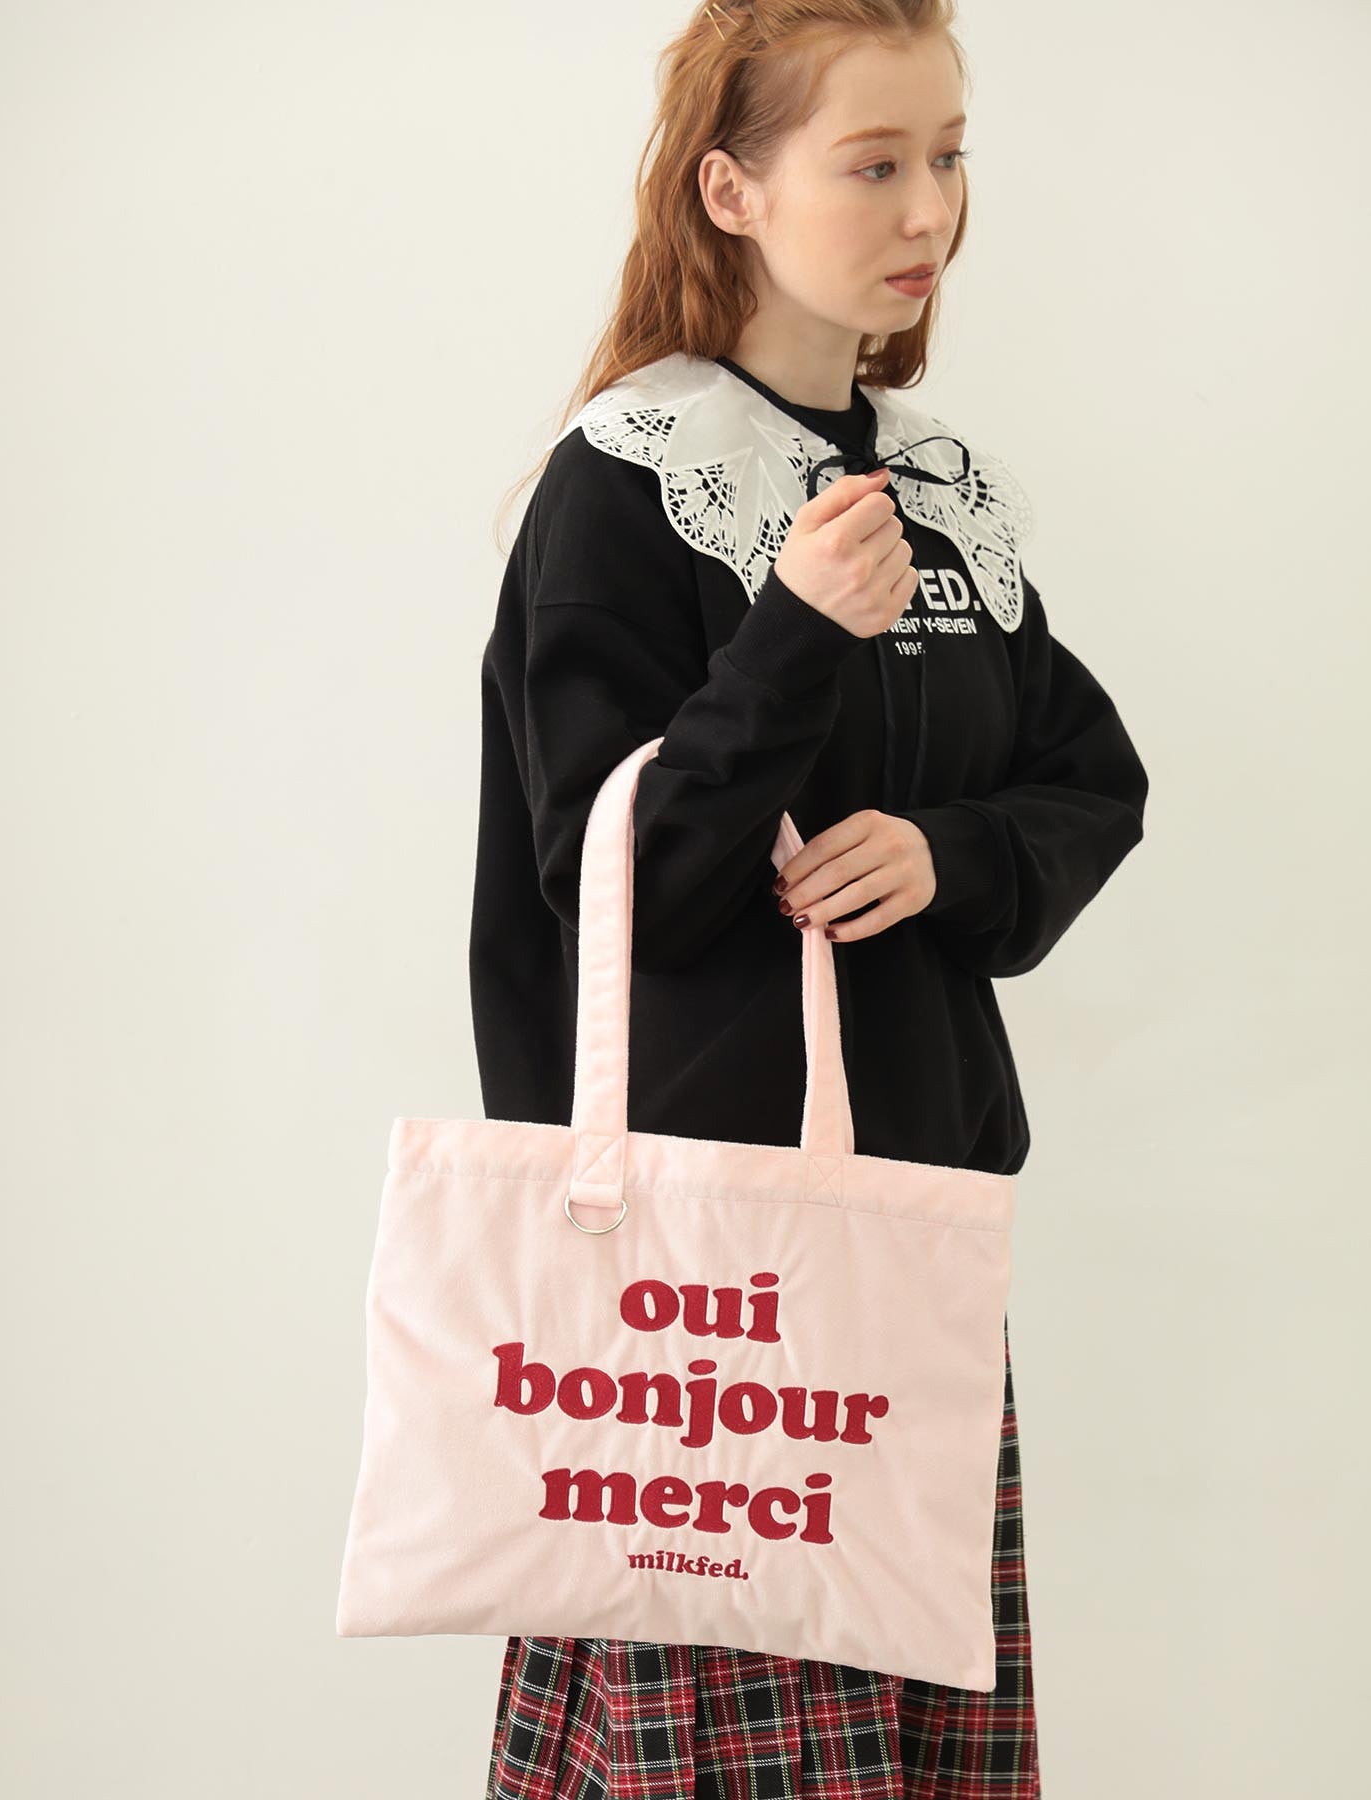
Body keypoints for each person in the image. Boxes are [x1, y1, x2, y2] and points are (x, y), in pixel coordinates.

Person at [470, 4, 1147, 1795]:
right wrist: (791, 634)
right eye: (874, 163)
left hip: (910, 1251)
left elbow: (1092, 779)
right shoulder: (629, 483)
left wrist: (947, 856)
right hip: (699, 1292)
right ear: (732, 191)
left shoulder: (936, 488)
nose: (931, 209)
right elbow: (612, 883)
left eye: (950, 156)